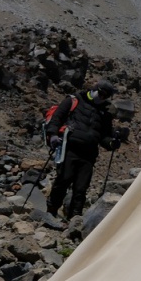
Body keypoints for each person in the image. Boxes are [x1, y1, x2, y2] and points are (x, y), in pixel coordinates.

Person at [46, 80, 120, 220]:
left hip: (89, 154)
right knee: (63, 180)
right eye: (101, 94)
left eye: (106, 96)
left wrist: (111, 143)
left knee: (81, 187)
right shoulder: (74, 100)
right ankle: (51, 211)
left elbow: (103, 136)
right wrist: (53, 134)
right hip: (70, 148)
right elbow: (57, 118)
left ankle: (75, 219)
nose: (102, 98)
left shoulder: (105, 113)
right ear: (95, 89)